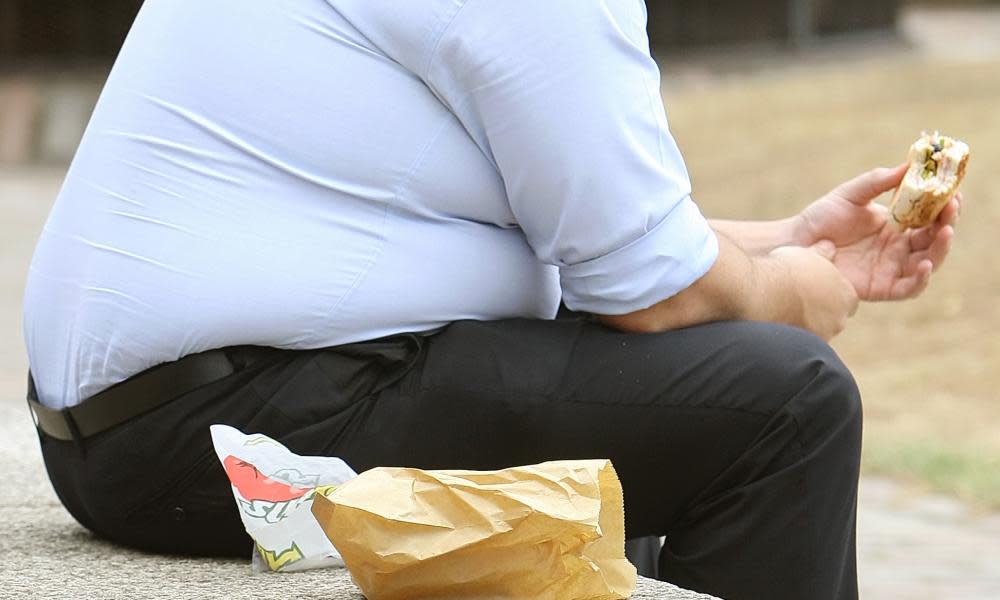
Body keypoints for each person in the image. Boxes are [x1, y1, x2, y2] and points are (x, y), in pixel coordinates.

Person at [23, 2, 957, 599]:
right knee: (786, 398)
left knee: (655, 381)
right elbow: (650, 293)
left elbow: (603, 241)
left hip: (134, 429)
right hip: (233, 441)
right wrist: (793, 293)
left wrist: (784, 242)